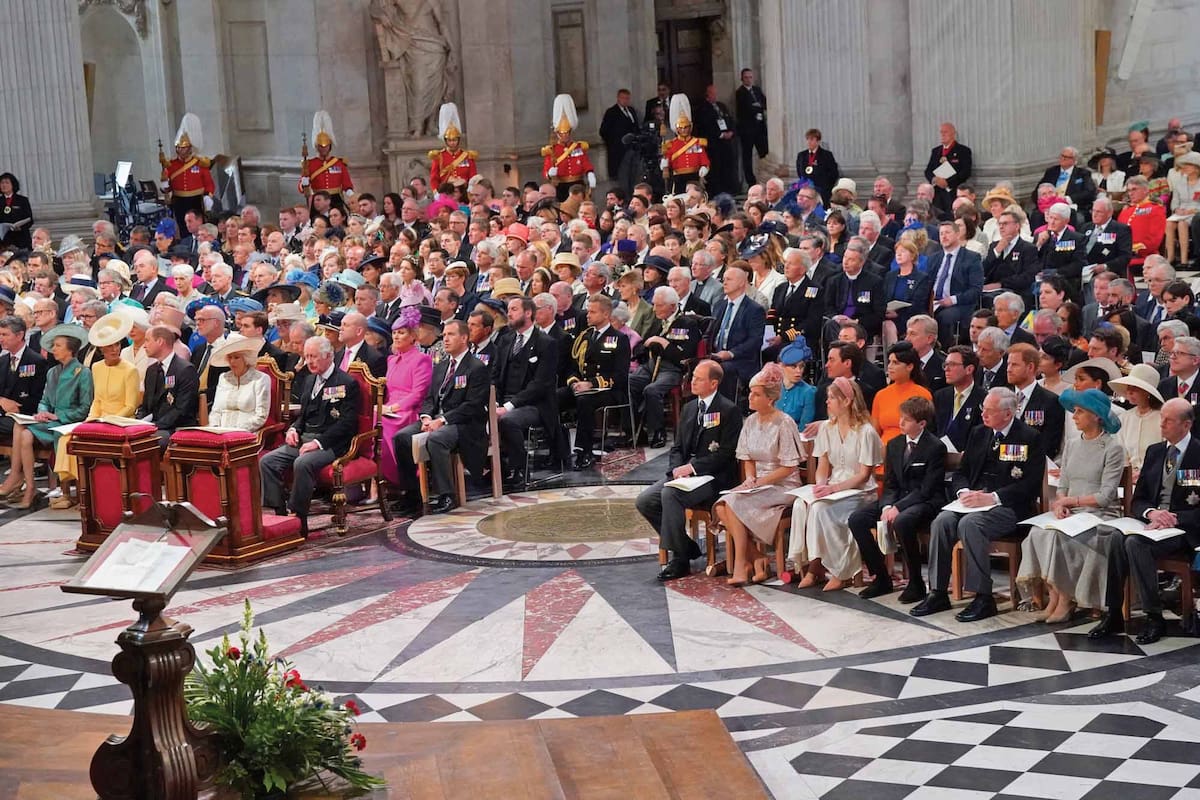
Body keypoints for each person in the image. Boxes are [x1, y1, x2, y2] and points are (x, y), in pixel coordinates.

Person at [911, 387, 1045, 622]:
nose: (983, 414)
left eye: (990, 410)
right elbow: (962, 472)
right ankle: (938, 591)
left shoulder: (1029, 437)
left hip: (1009, 507)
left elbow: (1030, 485)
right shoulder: (978, 433)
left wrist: (993, 497)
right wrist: (964, 492)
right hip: (973, 501)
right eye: (983, 408)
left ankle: (983, 596)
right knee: (942, 521)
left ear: (1008, 413)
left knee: (971, 525)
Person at [1091, 398, 1200, 645]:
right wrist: (1152, 513)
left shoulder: (1198, 453)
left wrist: (1174, 517)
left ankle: (1153, 616)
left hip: (1184, 529)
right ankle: (1113, 613)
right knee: (1116, 538)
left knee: (1134, 544)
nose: (1161, 424)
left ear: (1186, 424)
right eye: (1161, 418)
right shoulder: (1155, 452)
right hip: (1151, 524)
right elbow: (1138, 500)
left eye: (1168, 420)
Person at [1018, 388, 1125, 623]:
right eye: (1074, 411)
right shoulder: (1073, 444)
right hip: (1071, 512)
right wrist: (1059, 505)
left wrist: (1070, 501)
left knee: (1062, 537)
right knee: (1038, 533)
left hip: (1099, 514)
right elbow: (1063, 484)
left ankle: (1066, 600)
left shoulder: (1112, 447)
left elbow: (1106, 496)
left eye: (1079, 412)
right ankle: (1055, 596)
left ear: (1096, 416)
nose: (1074, 416)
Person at [636, 360, 742, 581]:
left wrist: (693, 468)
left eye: (699, 379)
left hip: (713, 477)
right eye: (693, 376)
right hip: (684, 475)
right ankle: (686, 546)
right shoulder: (689, 408)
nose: (692, 381)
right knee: (645, 501)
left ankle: (680, 560)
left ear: (713, 383)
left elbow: (726, 454)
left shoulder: (728, 410)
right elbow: (677, 447)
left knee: (670, 494)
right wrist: (676, 469)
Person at [848, 395, 947, 601]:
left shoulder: (935, 447)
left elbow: (927, 489)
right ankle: (881, 577)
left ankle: (916, 583)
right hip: (898, 498)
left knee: (902, 521)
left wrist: (898, 507)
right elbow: (891, 483)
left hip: (925, 501)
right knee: (857, 519)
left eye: (907, 420)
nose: (900, 423)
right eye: (900, 417)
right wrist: (887, 506)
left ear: (921, 423)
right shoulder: (894, 444)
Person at [713, 363, 804, 586]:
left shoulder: (784, 423)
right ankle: (756, 558)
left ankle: (741, 565)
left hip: (783, 484)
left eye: (756, 394)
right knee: (721, 506)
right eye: (750, 393)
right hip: (758, 484)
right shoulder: (751, 422)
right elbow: (747, 458)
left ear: (770, 399)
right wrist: (750, 479)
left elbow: (789, 467)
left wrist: (760, 482)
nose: (750, 398)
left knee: (732, 504)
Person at [260, 336, 360, 536]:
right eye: (307, 357)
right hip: (305, 438)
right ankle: (280, 513)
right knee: (267, 461)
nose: (309, 362)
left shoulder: (346, 383)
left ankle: (299, 517)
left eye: (314, 356)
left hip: (331, 443)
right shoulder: (309, 379)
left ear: (329, 356)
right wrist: (294, 429)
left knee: (302, 463)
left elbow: (347, 424)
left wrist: (318, 442)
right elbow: (303, 416)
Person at [392, 320, 490, 514]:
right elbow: (429, 398)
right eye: (444, 335)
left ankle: (447, 495)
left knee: (437, 439)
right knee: (401, 437)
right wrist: (426, 417)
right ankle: (412, 494)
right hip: (436, 419)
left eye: (451, 335)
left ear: (464, 338)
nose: (445, 339)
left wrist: (442, 420)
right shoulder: (441, 366)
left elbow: (473, 405)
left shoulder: (476, 367)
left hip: (463, 423)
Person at [2, 326, 92, 510]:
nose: (53, 349)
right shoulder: (53, 372)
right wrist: (42, 412)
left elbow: (85, 408)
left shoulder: (83, 373)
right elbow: (44, 400)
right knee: (22, 430)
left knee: (23, 431)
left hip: (69, 423)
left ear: (70, 349)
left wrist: (58, 415)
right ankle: (30, 486)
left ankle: (24, 484)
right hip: (50, 422)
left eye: (58, 345)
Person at [495, 297, 560, 489]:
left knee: (508, 420)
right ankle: (493, 467)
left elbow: (540, 385)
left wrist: (508, 406)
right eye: (509, 309)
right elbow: (495, 375)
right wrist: (494, 402)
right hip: (504, 400)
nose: (509, 314)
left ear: (528, 313)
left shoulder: (546, 343)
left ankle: (520, 468)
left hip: (534, 404)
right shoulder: (505, 340)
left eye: (514, 309)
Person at [630, 287, 703, 448]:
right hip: (651, 365)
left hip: (672, 369)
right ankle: (635, 430)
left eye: (659, 305)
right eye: (654, 304)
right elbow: (642, 345)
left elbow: (682, 358)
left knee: (652, 390)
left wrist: (663, 343)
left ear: (672, 306)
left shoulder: (687, 324)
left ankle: (658, 431)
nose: (654, 309)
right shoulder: (657, 321)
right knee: (628, 382)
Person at [379, 306, 434, 490]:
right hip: (389, 407)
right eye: (394, 332)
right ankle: (381, 480)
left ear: (413, 336)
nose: (396, 336)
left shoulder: (421, 359)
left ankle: (402, 479)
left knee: (382, 423)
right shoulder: (391, 360)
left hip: (408, 411)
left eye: (401, 333)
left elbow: (418, 394)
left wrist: (392, 408)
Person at [136, 324, 200, 450]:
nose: (144, 346)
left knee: (146, 443)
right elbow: (145, 406)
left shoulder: (185, 370)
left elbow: (181, 410)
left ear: (160, 341)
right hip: (154, 426)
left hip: (176, 427)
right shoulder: (151, 370)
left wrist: (154, 426)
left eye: (147, 340)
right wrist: (138, 422)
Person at [707, 264, 766, 398]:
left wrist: (730, 354)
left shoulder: (754, 309)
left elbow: (755, 341)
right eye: (724, 279)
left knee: (720, 369)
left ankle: (724, 408)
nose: (724, 282)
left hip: (740, 360)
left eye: (729, 279)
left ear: (741, 283)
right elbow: (711, 333)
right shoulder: (719, 305)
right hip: (715, 355)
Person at [1007, 342, 1067, 458]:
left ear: (1030, 367)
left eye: (1014, 365)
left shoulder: (1050, 401)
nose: (1009, 369)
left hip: (1032, 464)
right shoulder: (1002, 397)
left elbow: (1047, 445)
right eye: (1008, 364)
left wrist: (1007, 455)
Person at [871, 342, 932, 448]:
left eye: (895, 363)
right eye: (889, 362)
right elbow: (874, 432)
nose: (890, 366)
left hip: (909, 450)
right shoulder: (881, 395)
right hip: (882, 451)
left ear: (909, 366)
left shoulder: (922, 395)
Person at [207, 334, 271, 431]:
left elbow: (261, 416)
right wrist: (215, 428)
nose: (232, 361)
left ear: (246, 359)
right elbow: (216, 411)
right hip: (220, 433)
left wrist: (236, 431)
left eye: (236, 357)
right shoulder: (223, 378)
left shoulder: (260, 379)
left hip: (246, 434)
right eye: (229, 357)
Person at [1111, 364, 1164, 479]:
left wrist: (1144, 474)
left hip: (1155, 478)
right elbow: (1120, 452)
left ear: (1148, 392)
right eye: (1128, 387)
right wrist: (1128, 475)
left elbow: (1166, 454)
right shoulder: (1124, 418)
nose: (1129, 392)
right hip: (1128, 479)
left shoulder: (1163, 418)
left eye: (1135, 388)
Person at [542, 94, 597, 201]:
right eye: (562, 134)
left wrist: (590, 173)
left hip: (578, 184)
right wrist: (549, 173)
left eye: (567, 133)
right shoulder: (552, 150)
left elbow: (585, 162)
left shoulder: (578, 147)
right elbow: (546, 169)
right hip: (562, 186)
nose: (565, 136)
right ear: (557, 134)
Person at [660, 95, 709, 195]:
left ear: (690, 127)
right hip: (678, 178)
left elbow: (704, 159)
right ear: (677, 129)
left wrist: (704, 167)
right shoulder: (670, 144)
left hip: (694, 176)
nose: (683, 130)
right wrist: (664, 163)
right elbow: (667, 162)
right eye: (681, 128)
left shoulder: (697, 142)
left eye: (686, 127)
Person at [924, 123, 973, 219]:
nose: (942, 134)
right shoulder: (936, 151)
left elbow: (965, 172)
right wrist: (934, 179)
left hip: (954, 192)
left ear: (953, 134)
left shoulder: (963, 150)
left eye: (945, 132)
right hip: (938, 193)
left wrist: (948, 182)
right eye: (941, 132)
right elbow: (928, 171)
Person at [427, 103, 478, 189]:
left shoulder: (467, 156)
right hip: (446, 191)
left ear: (458, 140)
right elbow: (434, 178)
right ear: (446, 141)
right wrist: (436, 192)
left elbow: (473, 176)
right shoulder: (439, 156)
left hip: (464, 191)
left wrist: (470, 190)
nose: (452, 143)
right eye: (450, 140)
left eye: (454, 140)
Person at [734, 68, 768, 187]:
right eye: (746, 77)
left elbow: (765, 103)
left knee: (764, 153)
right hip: (747, 130)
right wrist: (757, 107)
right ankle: (751, 182)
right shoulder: (740, 92)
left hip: (760, 129)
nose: (749, 80)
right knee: (747, 157)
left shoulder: (757, 90)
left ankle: (765, 178)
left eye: (750, 77)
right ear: (742, 79)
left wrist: (757, 106)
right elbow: (746, 109)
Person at [599, 89, 640, 182]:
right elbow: (603, 131)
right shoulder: (611, 112)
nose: (625, 100)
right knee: (620, 176)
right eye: (623, 98)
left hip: (632, 148)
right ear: (618, 98)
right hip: (618, 151)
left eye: (627, 98)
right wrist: (613, 143)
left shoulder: (631, 110)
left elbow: (636, 126)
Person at [794, 128, 840, 204]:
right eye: (807, 139)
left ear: (818, 141)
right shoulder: (801, 155)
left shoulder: (826, 155)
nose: (809, 142)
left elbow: (833, 174)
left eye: (812, 139)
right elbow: (800, 173)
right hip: (806, 191)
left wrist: (825, 187)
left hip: (822, 191)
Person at [778, 342, 817, 429]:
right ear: (781, 366)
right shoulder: (774, 388)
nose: (798, 371)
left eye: (801, 366)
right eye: (793, 366)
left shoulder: (808, 392)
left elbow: (804, 427)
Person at [0, 172, 34, 250]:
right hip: (4, 240)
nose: (4, 185)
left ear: (13, 184)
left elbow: (30, 219)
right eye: (2, 183)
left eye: (7, 183)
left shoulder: (22, 200)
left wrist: (20, 227)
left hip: (21, 239)